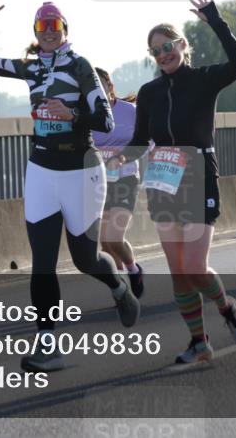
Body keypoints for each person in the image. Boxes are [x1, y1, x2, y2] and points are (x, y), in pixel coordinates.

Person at [0, 0, 139, 373]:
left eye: (55, 26)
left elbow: (106, 121)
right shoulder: (31, 69)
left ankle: (118, 287)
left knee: (84, 259)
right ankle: (49, 344)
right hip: (42, 169)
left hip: (81, 169)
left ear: (65, 31)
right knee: (42, 264)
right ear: (35, 33)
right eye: (42, 28)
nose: (48, 33)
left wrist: (73, 113)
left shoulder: (81, 68)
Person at [112, 0, 236, 366]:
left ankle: (226, 307)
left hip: (198, 175)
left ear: (182, 45)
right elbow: (140, 142)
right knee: (177, 270)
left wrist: (215, 20)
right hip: (163, 181)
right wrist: (112, 159)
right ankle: (199, 342)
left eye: (168, 46)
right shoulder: (150, 92)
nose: (163, 55)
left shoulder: (204, 79)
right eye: (155, 51)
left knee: (194, 265)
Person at [92, 67, 145, 298]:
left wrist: (123, 155)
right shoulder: (89, 115)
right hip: (98, 182)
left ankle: (134, 270)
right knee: (105, 244)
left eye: (101, 85)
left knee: (115, 236)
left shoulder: (130, 111)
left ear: (110, 86)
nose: (97, 90)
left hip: (126, 178)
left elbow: (147, 140)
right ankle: (123, 292)